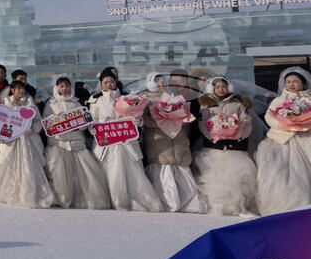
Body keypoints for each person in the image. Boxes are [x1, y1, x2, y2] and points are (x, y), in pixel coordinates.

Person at [87, 70, 163, 212]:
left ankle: (134, 199)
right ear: (101, 84)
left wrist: (136, 120)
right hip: (106, 141)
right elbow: (93, 119)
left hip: (125, 140)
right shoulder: (96, 100)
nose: (109, 85)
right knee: (108, 169)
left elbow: (137, 117)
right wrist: (93, 129)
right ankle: (110, 199)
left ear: (116, 82)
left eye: (111, 81)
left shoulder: (127, 97)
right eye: (105, 82)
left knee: (131, 170)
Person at [193, 76, 258, 216]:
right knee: (214, 178)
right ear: (212, 89)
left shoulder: (238, 103)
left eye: (223, 86)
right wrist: (213, 135)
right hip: (214, 148)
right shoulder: (206, 104)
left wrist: (238, 133)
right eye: (217, 87)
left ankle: (238, 207)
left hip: (235, 147)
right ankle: (217, 206)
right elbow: (203, 123)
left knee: (236, 178)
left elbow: (246, 121)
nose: (221, 89)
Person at [141, 72, 205, 213]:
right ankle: (168, 203)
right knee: (163, 171)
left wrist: (176, 118)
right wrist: (159, 121)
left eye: (164, 82)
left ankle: (188, 202)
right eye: (159, 82)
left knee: (181, 168)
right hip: (158, 140)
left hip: (178, 138)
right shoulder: (145, 99)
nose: (163, 84)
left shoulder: (174, 98)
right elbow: (143, 119)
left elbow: (184, 116)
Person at [42, 75, 109, 209]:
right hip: (59, 143)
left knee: (85, 174)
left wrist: (79, 125)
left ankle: (82, 199)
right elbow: (46, 124)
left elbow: (85, 123)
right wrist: (57, 120)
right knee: (58, 172)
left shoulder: (77, 103)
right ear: (57, 87)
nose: (65, 88)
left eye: (67, 85)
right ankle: (61, 198)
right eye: (61, 86)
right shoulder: (50, 103)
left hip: (76, 142)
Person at [255, 67, 311, 215]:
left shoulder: (308, 99)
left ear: (303, 84)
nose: (291, 85)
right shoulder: (279, 100)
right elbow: (269, 117)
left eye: (295, 82)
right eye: (288, 82)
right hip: (281, 140)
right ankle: (288, 203)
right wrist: (284, 124)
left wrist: (304, 123)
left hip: (305, 138)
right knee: (283, 173)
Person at [0, 80, 55, 209]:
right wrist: (2, 135)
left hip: (28, 140)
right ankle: (8, 192)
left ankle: (29, 193)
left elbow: (38, 121)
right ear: (12, 90)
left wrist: (33, 129)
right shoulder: (6, 103)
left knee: (30, 166)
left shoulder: (29, 103)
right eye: (18, 89)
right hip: (11, 140)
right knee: (9, 165)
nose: (21, 91)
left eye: (23, 89)